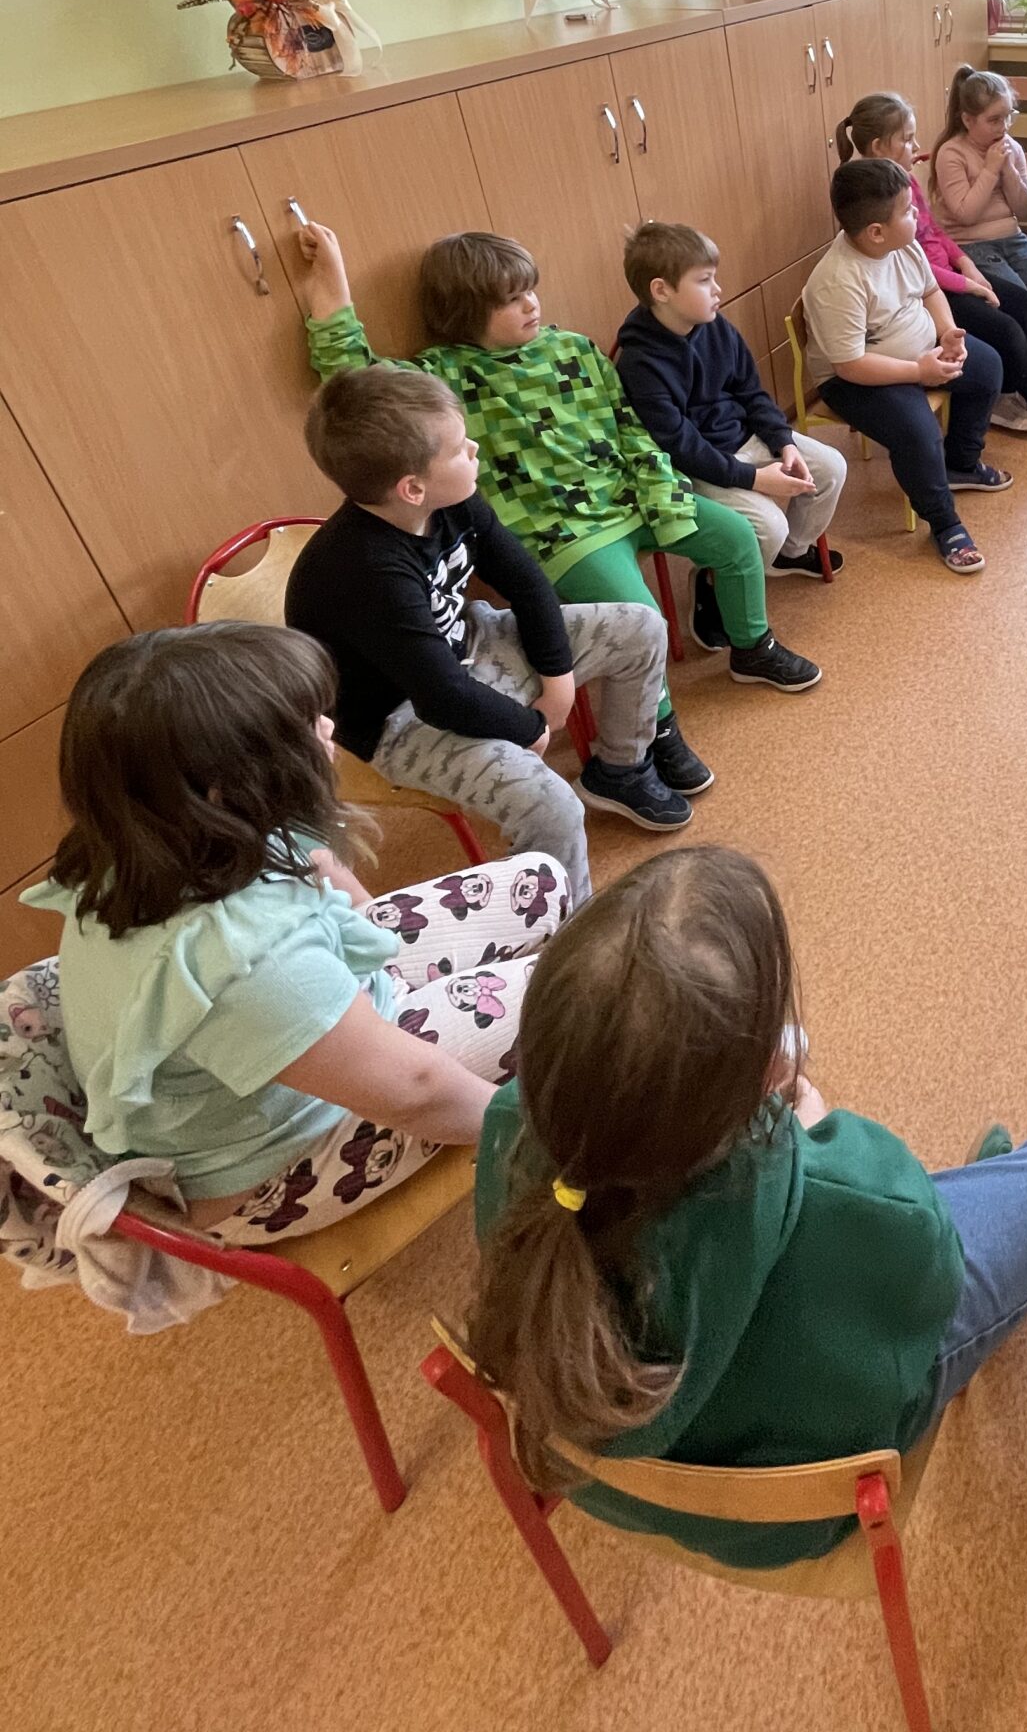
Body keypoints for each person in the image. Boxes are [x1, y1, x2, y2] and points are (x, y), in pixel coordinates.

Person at [466, 847, 1027, 1564]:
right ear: (766, 1076)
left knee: (941, 1219)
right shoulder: (859, 1201)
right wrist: (808, 1130)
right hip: (806, 1511)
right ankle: (1009, 1198)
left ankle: (991, 1186)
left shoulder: (508, 1132)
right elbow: (933, 1275)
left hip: (614, 1488)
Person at [23, 622, 565, 1243]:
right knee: (574, 992)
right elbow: (416, 1092)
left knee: (542, 882)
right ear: (226, 787)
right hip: (276, 1163)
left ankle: (512, 1035)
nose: (329, 728)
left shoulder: (163, 831)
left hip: (313, 1033)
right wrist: (542, 1143)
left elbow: (327, 876)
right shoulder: (241, 956)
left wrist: (392, 970)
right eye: (308, 726)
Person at [298, 221, 818, 703]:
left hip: (636, 496)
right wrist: (332, 285)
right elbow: (356, 379)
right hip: (564, 532)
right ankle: (655, 730)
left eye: (530, 290)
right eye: (512, 299)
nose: (531, 304)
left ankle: (752, 649)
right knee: (643, 617)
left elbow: (629, 427)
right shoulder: (446, 375)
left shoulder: (573, 348)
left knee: (737, 539)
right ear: (466, 311)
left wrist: (660, 489)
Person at [286, 366, 691, 881]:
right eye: (459, 449)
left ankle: (621, 770)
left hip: (471, 646)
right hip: (402, 720)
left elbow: (527, 582)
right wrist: (531, 727)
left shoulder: (453, 499)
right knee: (554, 809)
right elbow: (442, 697)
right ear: (412, 489)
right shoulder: (365, 571)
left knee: (643, 627)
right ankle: (561, 919)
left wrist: (557, 679)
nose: (474, 450)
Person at [613, 220, 848, 623]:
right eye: (704, 280)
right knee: (768, 526)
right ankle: (712, 581)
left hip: (745, 438)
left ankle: (788, 554)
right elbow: (681, 447)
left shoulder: (715, 325)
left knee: (831, 468)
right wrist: (755, 479)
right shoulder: (640, 363)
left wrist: (783, 441)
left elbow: (752, 392)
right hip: (696, 466)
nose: (718, 289)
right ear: (661, 291)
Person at [835, 91, 1027, 437]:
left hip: (946, 277)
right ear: (879, 146)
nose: (916, 146)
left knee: (1026, 305)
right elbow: (915, 266)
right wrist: (966, 284)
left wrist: (966, 263)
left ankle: (1006, 393)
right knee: (1005, 328)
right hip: (928, 291)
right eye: (907, 139)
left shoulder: (904, 179)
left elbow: (933, 231)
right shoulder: (872, 201)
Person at [801, 157, 1009, 574]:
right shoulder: (838, 281)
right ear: (876, 232)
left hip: (918, 354)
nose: (916, 212)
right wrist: (919, 372)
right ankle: (944, 522)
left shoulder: (902, 243)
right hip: (856, 378)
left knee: (988, 369)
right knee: (918, 432)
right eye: (907, 210)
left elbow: (931, 291)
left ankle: (960, 465)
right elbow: (849, 365)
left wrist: (948, 333)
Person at [928, 65, 1027, 379]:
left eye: (1008, 117)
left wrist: (1008, 170)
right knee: (1018, 301)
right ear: (968, 120)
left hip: (1012, 238)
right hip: (971, 243)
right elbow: (966, 214)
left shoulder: (1011, 149)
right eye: (993, 120)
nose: (1003, 127)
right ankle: (1019, 367)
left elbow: (1025, 208)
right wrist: (991, 170)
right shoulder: (951, 153)